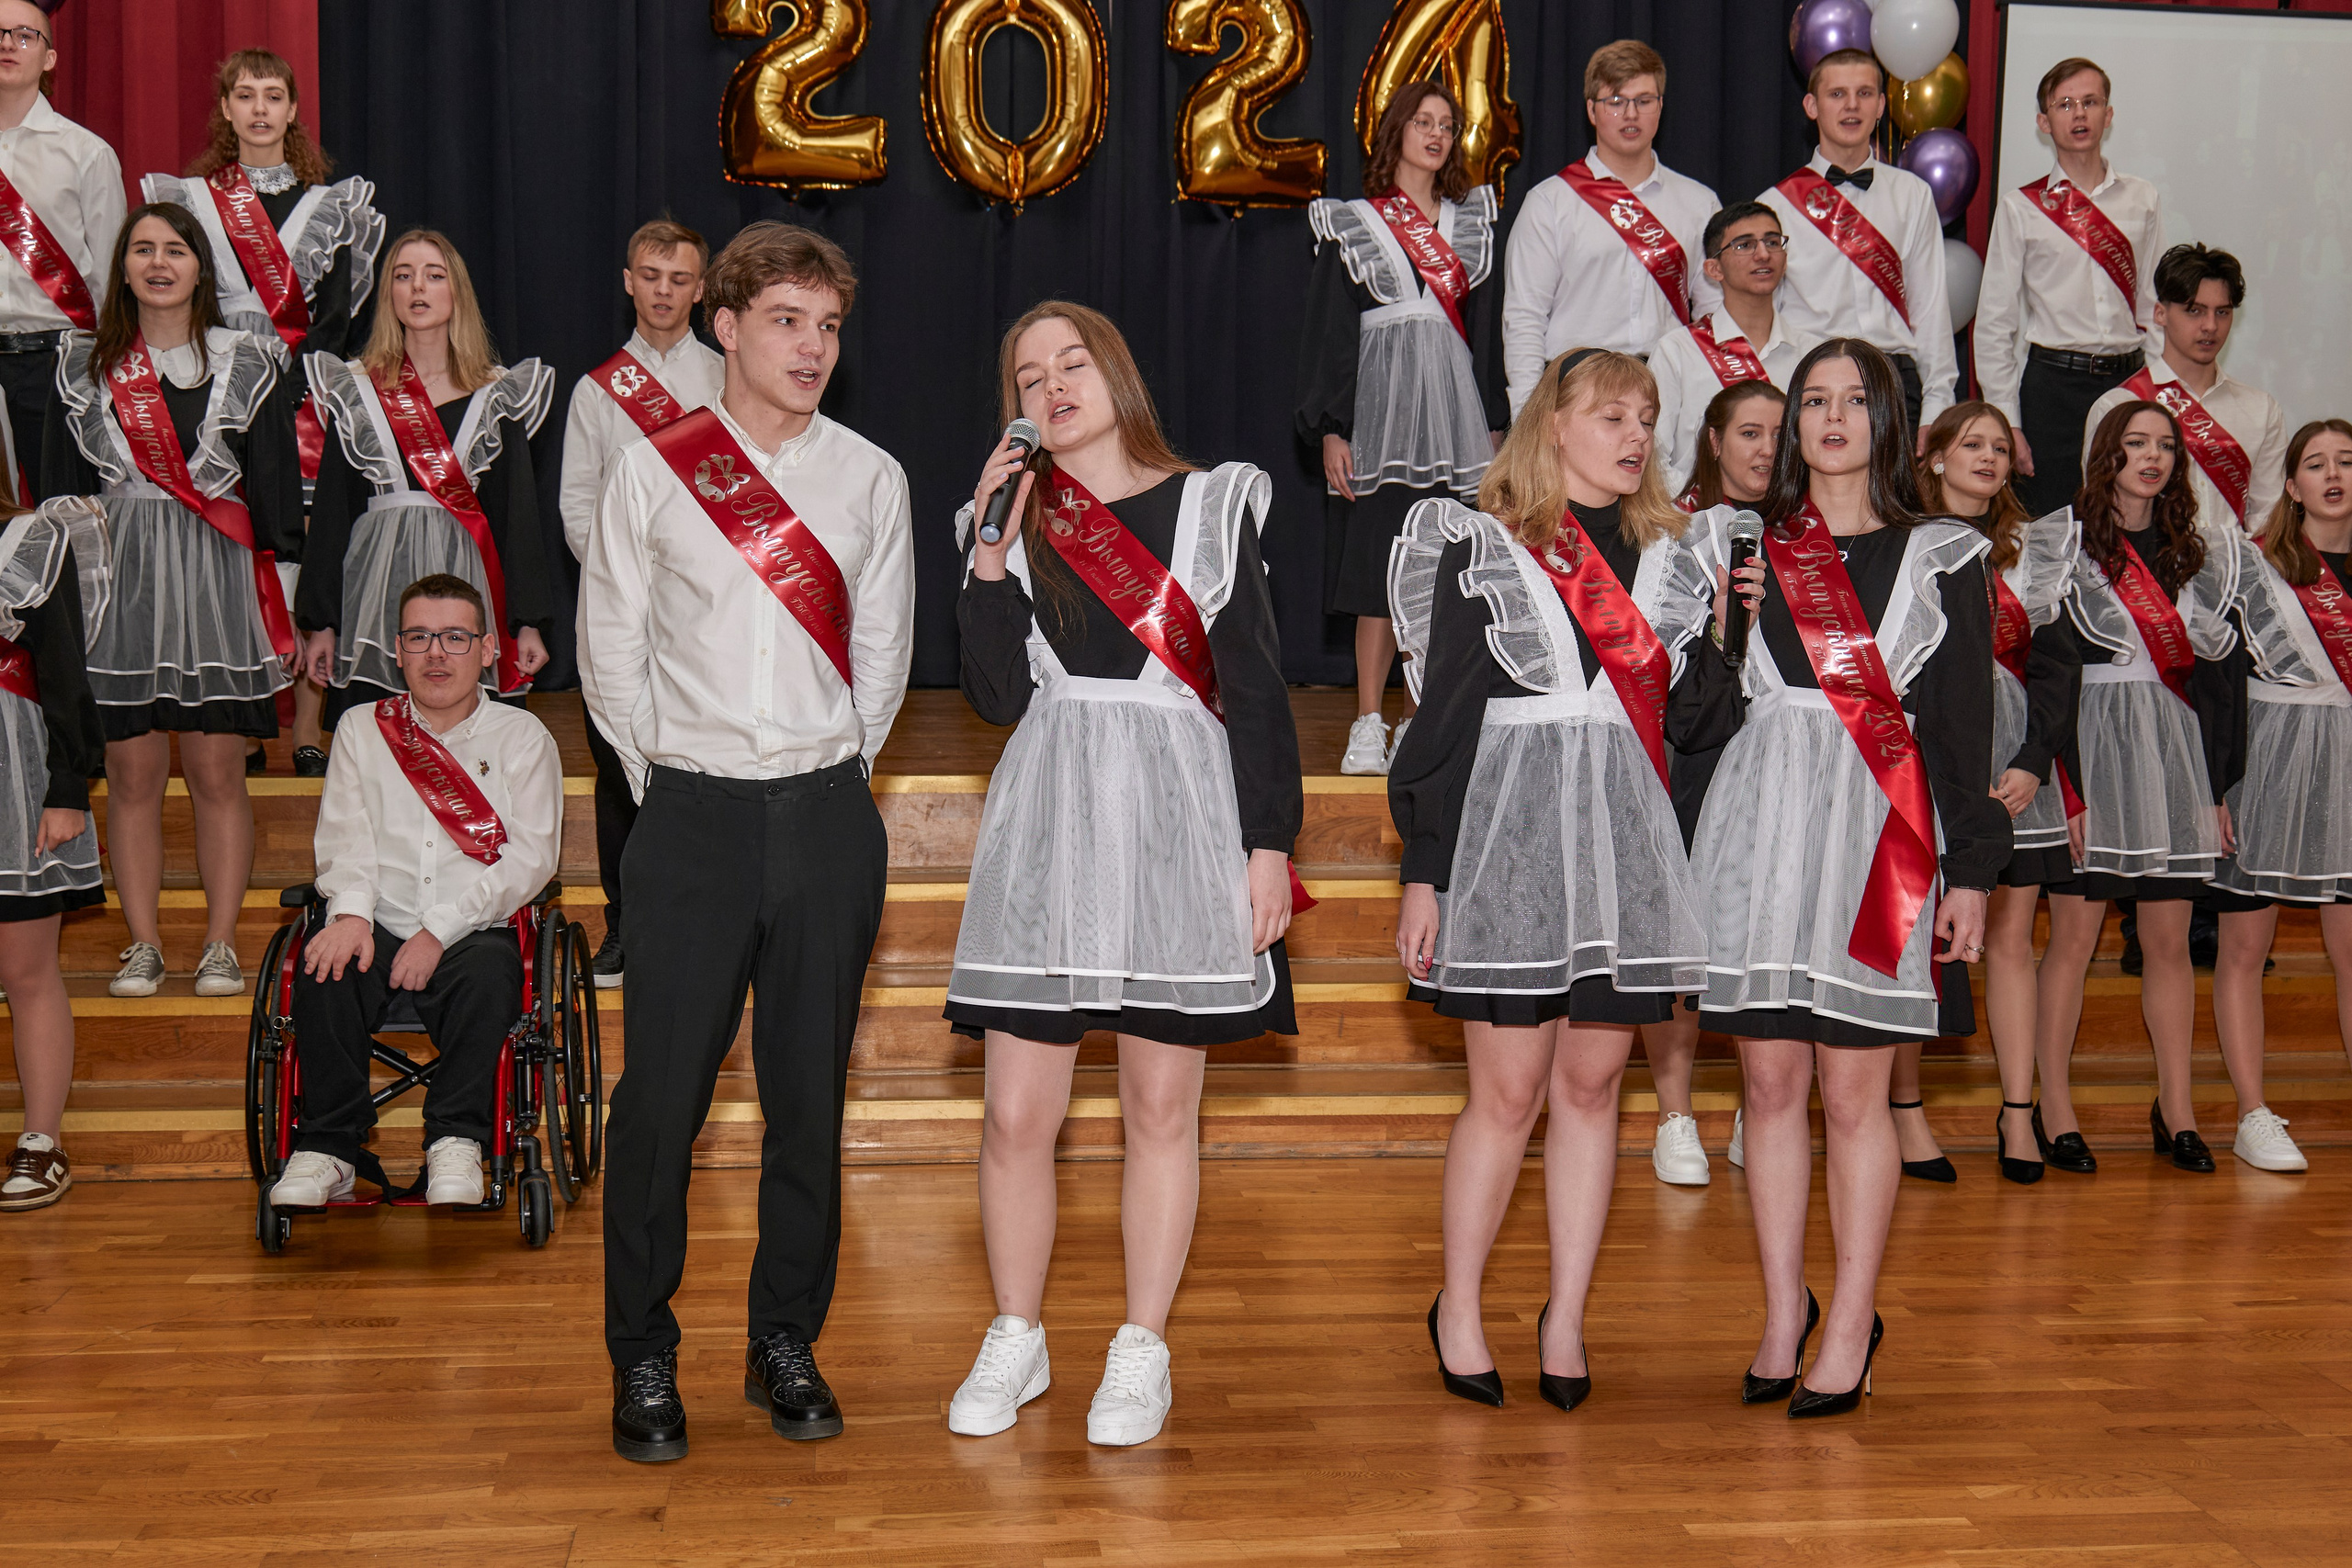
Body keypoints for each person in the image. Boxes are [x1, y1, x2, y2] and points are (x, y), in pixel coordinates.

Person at [582, 222, 914, 1463]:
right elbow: (611, 650)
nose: (812, 347)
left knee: (807, 1106)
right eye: (785, 320)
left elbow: (881, 657)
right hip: (692, 817)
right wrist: (672, 784)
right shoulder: (651, 470)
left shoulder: (870, 477)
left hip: (825, 815)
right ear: (723, 326)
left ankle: (784, 1337)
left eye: (827, 326)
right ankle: (642, 1350)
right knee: (659, 1106)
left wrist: (830, 776)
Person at [944, 301, 1301, 1449]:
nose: (1052, 386)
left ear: (1116, 374)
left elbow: (1256, 689)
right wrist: (987, 557)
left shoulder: (1209, 504)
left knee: (1158, 1106)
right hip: (1052, 816)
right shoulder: (1016, 519)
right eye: (1027, 375)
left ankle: (1142, 1345)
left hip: (1176, 820)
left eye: (1072, 363)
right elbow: (995, 698)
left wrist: (1268, 845)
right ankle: (1017, 1332)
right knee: (1015, 1114)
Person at [1390, 348, 1725, 1410]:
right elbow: (1442, 723)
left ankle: (1567, 1317)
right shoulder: (1484, 546)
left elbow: (1700, 725)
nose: (1635, 435)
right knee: (1507, 1095)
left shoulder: (1675, 558)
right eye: (1611, 414)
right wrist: (1424, 874)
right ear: (1554, 424)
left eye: (1647, 417)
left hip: (1622, 848)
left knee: (1591, 1090)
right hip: (1508, 844)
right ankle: (1458, 1305)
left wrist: (1735, 630)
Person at [1690, 339, 2005, 1417]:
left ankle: (1854, 1319)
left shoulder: (1944, 554)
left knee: (1854, 1093)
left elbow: (1960, 727)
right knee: (1769, 1087)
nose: (1830, 418)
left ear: (1890, 421)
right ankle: (1785, 1312)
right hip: (1765, 822)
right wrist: (1718, 627)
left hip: (1887, 834)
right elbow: (1701, 715)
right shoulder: (1745, 541)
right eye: (1812, 400)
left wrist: (1972, 873)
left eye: (1853, 400)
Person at [43, 202, 300, 1001]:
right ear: (122, 268)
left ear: (200, 268)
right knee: (131, 770)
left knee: (218, 768)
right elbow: (60, 500)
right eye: (143, 249)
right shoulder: (84, 366)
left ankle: (220, 944)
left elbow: (274, 490)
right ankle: (144, 943)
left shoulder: (245, 360)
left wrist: (285, 605)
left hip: (217, 579)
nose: (159, 263)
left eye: (176, 250)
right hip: (117, 581)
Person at [263, 574, 561, 1210]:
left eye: (455, 637)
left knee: (491, 975)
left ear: (487, 650)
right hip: (378, 916)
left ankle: (458, 1138)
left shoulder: (523, 737)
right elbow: (346, 836)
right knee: (322, 965)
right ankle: (330, 1149)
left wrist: (439, 930)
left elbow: (531, 858)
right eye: (420, 637)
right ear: (397, 650)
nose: (436, 654)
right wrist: (349, 914)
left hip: (473, 926)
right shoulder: (361, 728)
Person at [141, 46, 386, 775]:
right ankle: (242, 717)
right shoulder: (189, 201)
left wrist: (293, 388)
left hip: (304, 397)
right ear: (226, 108)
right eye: (244, 95)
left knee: (305, 556)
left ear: (292, 110)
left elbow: (336, 320)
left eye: (272, 96)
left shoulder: (329, 205)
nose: (258, 108)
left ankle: (306, 724)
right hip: (214, 393)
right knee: (228, 549)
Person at [2034, 401, 2245, 1175]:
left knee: (2167, 942)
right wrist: (2069, 788)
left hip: (2174, 753)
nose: (2152, 458)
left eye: (2165, 446)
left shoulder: (2198, 553)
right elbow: (2046, 674)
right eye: (2135, 444)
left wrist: (2216, 786)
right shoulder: (2060, 543)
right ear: (2106, 454)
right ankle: (2053, 1108)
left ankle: (2178, 1110)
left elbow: (2220, 681)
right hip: (2090, 747)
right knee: (2074, 940)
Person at [1296, 79, 1505, 775]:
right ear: (1397, 131)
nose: (1437, 134)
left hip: (1456, 429)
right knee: (1377, 573)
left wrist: (1496, 424)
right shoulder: (1355, 222)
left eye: (1447, 124)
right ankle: (1367, 721)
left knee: (1440, 577)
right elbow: (1330, 333)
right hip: (1382, 426)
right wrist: (1332, 427)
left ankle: (1417, 718)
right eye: (1424, 121)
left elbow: (1489, 335)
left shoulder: (1472, 225)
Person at [1917, 400, 2082, 1186]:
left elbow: (2057, 666)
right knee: (1920, 936)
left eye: (1997, 447)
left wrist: (2033, 759)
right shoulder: (1905, 539)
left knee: (2012, 939)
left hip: (2014, 761)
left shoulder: (2030, 549)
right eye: (1970, 444)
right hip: (1928, 754)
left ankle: (2019, 1111)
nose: (1987, 457)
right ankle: (1904, 1110)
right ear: (1936, 456)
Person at [556, 218, 720, 987]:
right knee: (620, 767)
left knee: (710, 761)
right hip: (622, 609)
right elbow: (577, 503)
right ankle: (625, 924)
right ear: (629, 281)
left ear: (701, 288)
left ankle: (711, 919)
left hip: (709, 609)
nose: (663, 291)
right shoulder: (597, 390)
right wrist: (629, 584)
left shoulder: (727, 378)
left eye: (679, 278)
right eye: (651, 276)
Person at [299, 230, 553, 724]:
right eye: (403, 276)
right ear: (388, 294)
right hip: (375, 594)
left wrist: (527, 623)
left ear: (457, 291)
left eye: (434, 276)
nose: (417, 287)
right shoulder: (356, 389)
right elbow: (332, 512)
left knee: (464, 743)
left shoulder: (495, 394)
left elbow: (517, 516)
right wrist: (322, 623)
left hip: (468, 585)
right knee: (379, 737)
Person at [2205, 419, 2352, 1174]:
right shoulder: (2255, 566)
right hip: (2269, 759)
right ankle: (2252, 1112)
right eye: (2316, 464)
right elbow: (2219, 681)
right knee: (2245, 946)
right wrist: (2217, 783)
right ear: (2291, 485)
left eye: (2347, 462)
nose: (2334, 475)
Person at [1660, 378, 1784, 1181]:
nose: (1766, 449)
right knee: (1686, 941)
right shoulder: (1677, 534)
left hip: (1783, 754)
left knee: (1762, 929)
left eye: (1778, 434)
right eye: (1749, 432)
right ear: (1714, 441)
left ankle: (1756, 1105)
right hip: (1700, 749)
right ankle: (1674, 1113)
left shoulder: (1816, 539)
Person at [1973, 58, 2160, 518]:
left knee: (2128, 521)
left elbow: (2156, 308)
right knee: (2050, 525)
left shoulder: (2142, 198)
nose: (2079, 114)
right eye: (2065, 104)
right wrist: (2007, 421)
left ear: (2108, 114)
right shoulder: (2021, 207)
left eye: (2090, 102)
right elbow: (1995, 322)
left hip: (2128, 382)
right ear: (2044, 121)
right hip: (2051, 389)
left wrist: (2158, 391)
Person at [1501, 40, 1718, 417]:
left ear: (1661, 106)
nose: (1630, 113)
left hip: (1668, 391)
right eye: (1615, 101)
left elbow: (1714, 314)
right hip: (1575, 390)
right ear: (1591, 109)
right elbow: (1524, 317)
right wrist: (1527, 414)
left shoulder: (1699, 203)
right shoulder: (1551, 201)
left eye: (1644, 100)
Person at [0, 494, 107, 1212]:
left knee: (24, 968)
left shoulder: (28, 538)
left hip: (12, 768)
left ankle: (43, 1142)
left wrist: (68, 785)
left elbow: (65, 666)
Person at [1761, 51, 1955, 439]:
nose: (1851, 105)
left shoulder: (1913, 194)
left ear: (1881, 106)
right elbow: (1767, 319)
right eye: (1837, 94)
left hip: (1894, 380)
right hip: (1812, 378)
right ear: (1811, 106)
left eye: (1864, 93)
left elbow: (1930, 308)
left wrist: (1937, 405)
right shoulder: (1775, 205)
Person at [0, 0, 123, 501]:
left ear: (49, 58)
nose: (7, 44)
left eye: (23, 35)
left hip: (56, 367)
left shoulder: (87, 153)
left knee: (67, 515)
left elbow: (113, 275)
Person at [2084, 244, 2285, 535]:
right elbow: (2099, 512)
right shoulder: (2117, 405)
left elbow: (2269, 520)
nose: (2210, 326)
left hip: (2236, 563)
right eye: (2194, 311)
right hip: (2145, 563)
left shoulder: (2261, 410)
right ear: (2160, 314)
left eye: (2222, 312)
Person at [1650, 203, 1807, 497]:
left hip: (1794, 518)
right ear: (1714, 269)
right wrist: (1700, 513)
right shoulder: (1678, 351)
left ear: (1785, 259)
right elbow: (1653, 459)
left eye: (1773, 242)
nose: (1763, 254)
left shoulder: (1812, 353)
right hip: (1696, 516)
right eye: (1744, 245)